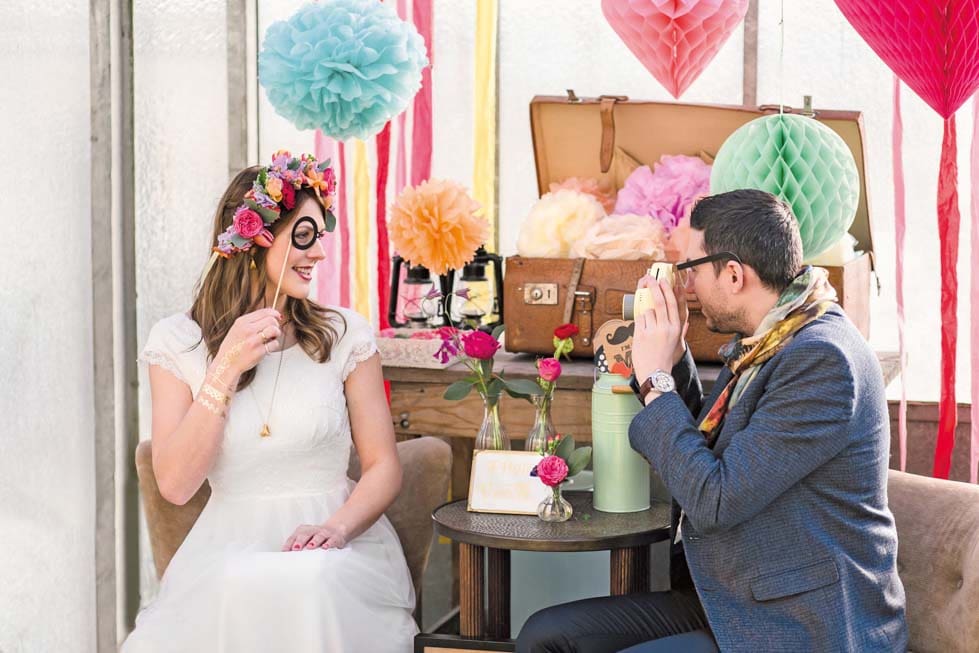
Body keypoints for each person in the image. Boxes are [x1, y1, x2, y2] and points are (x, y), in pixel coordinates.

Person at [516, 189, 907, 652]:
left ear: (735, 275)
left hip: (803, 622)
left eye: (692, 270)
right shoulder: (776, 332)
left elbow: (714, 499)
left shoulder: (822, 359)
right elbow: (715, 443)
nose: (686, 286)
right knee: (545, 637)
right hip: (740, 593)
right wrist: (674, 349)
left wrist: (654, 381)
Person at [122, 152, 417, 652]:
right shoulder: (177, 342)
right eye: (303, 235)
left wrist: (335, 529)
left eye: (319, 234)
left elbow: (383, 465)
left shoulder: (343, 334)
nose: (319, 253)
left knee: (313, 584)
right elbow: (173, 483)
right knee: (239, 592)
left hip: (335, 552)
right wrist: (225, 369)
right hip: (227, 553)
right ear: (252, 243)